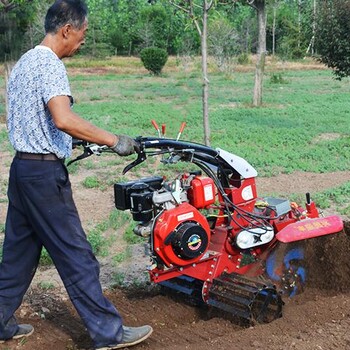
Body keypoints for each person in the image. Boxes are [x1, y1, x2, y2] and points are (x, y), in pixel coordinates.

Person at [0, 0, 153, 349]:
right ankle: (108, 333)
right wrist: (114, 141)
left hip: (22, 169)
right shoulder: (50, 64)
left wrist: (69, 142)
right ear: (67, 29)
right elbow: (63, 118)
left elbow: (41, 121)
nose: (82, 44)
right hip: (43, 176)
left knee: (18, 257)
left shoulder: (23, 63)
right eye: (81, 36)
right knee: (77, 254)